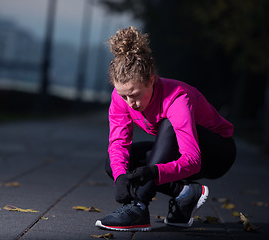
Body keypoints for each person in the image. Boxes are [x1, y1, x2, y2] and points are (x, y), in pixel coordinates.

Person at [95, 26, 236, 232]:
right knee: (115, 163)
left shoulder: (177, 97)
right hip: (177, 147)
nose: (129, 102)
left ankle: (139, 207)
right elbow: (118, 144)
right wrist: (120, 177)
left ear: (151, 80)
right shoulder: (121, 98)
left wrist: (152, 172)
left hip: (217, 153)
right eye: (123, 95)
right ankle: (186, 194)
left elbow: (193, 161)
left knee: (167, 126)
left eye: (134, 95)